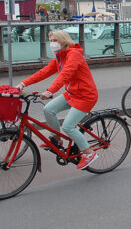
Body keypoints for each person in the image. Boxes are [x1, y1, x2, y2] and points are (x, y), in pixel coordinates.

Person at [15, 30, 99, 170]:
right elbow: (44, 72)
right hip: (72, 93)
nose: (52, 43)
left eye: (55, 40)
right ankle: (56, 139)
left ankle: (89, 153)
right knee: (48, 109)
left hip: (86, 96)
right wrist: (23, 84)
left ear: (63, 41)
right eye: (51, 40)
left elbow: (65, 75)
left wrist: (50, 91)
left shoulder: (74, 55)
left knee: (68, 126)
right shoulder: (60, 57)